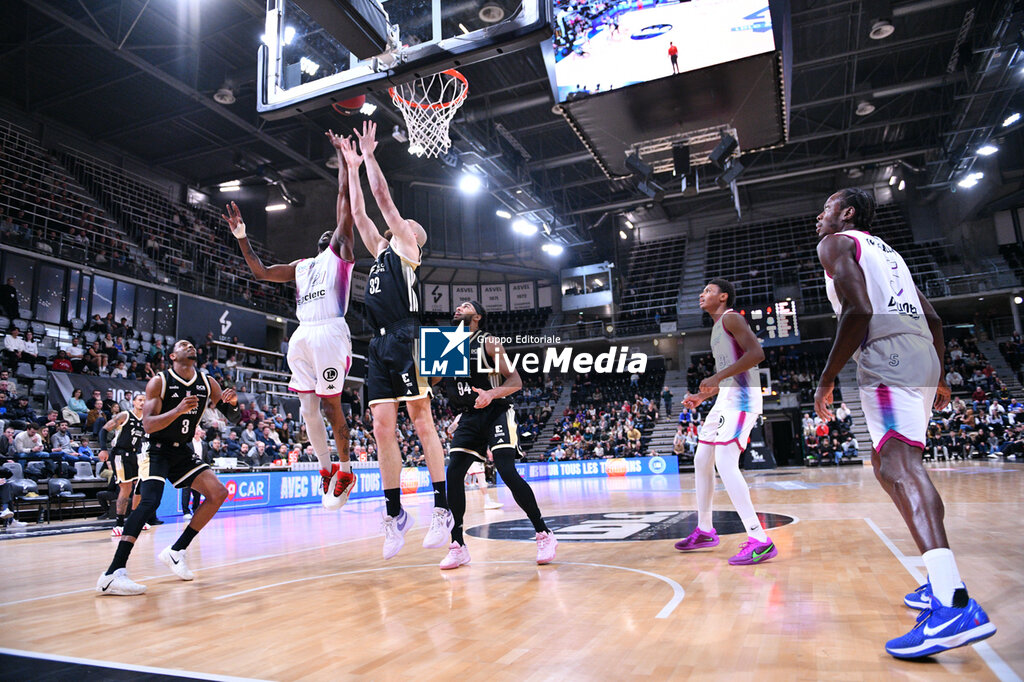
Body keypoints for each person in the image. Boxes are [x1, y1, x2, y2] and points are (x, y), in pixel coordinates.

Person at [813, 188, 995, 656]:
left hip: (888, 354)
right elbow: (933, 318)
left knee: (900, 466)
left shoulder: (837, 243)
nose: (820, 217)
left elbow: (858, 311)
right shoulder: (888, 254)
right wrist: (935, 374)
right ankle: (939, 583)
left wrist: (826, 378)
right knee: (887, 465)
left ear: (847, 214)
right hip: (919, 355)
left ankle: (953, 604)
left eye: (827, 209)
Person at [225, 129, 357, 510]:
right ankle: (327, 468)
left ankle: (346, 469)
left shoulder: (341, 255)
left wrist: (346, 168)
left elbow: (344, 206)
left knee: (329, 406)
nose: (331, 232)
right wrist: (241, 237)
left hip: (329, 328)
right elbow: (262, 272)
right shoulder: (302, 266)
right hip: (304, 334)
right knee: (307, 408)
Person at [338, 123, 452, 559]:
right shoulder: (382, 250)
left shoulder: (406, 247)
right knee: (382, 427)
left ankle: (442, 507)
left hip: (409, 335)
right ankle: (395, 514)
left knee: (422, 421)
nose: (402, 224)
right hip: (378, 343)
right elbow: (361, 215)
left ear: (414, 238)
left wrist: (369, 155)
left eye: (409, 224)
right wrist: (350, 167)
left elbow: (383, 202)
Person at [96, 339, 241, 596]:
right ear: (172, 356)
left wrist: (233, 405)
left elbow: (234, 419)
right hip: (156, 449)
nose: (190, 346)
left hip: (182, 451)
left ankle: (176, 551)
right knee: (149, 503)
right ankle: (113, 573)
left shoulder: (209, 383)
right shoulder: (159, 382)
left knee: (218, 493)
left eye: (191, 344)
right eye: (183, 344)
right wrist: (177, 410)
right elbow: (149, 425)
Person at [433, 301, 556, 570]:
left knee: (505, 470)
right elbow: (432, 381)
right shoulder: (446, 344)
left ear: (477, 316)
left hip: (496, 411)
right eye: (457, 306)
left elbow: (515, 381)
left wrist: (490, 394)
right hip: (468, 416)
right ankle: (458, 545)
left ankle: (544, 533)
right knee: (453, 473)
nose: (457, 309)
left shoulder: (489, 341)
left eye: (465, 306)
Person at [674, 279, 777, 565]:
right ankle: (705, 530)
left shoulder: (731, 318)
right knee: (701, 458)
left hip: (743, 400)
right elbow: (732, 372)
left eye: (707, 290)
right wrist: (700, 397)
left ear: (723, 297)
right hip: (725, 400)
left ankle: (760, 539)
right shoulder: (717, 328)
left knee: (725, 461)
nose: (701, 294)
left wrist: (717, 377)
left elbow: (757, 354)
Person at [103, 393, 147, 537]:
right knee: (126, 488)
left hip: (136, 455)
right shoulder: (124, 415)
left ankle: (134, 519)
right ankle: (119, 523)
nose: (142, 403)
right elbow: (104, 430)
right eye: (140, 400)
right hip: (120, 454)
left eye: (145, 401)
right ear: (133, 402)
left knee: (139, 488)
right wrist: (103, 449)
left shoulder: (146, 419)